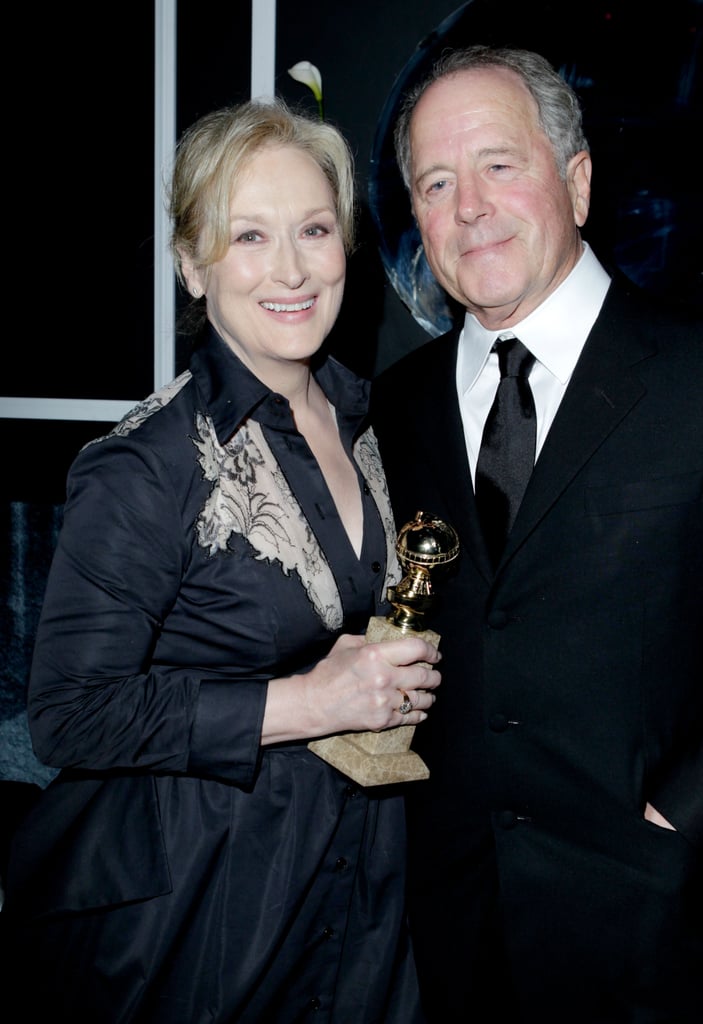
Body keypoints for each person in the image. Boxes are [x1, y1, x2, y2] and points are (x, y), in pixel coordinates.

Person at [2, 98, 441, 1022]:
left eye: (313, 230)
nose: (289, 269)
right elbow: (69, 716)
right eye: (248, 236)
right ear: (192, 267)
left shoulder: (372, 419)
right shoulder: (145, 463)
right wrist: (313, 702)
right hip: (205, 905)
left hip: (360, 875)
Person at [369, 44, 703, 1022]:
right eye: (436, 181)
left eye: (497, 165)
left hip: (658, 932)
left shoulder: (692, 376)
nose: (467, 206)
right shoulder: (394, 408)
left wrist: (684, 815)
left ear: (578, 179)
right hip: (449, 939)